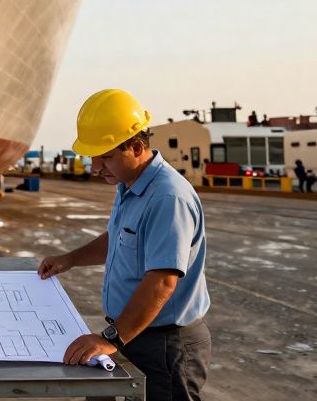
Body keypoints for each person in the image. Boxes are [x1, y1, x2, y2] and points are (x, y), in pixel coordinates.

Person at [39, 89, 211, 401]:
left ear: (136, 147)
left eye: (105, 157)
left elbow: (162, 281)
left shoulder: (167, 197)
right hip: (134, 333)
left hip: (165, 345)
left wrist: (112, 340)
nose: (95, 168)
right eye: (92, 158)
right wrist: (70, 259)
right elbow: (118, 239)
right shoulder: (130, 184)